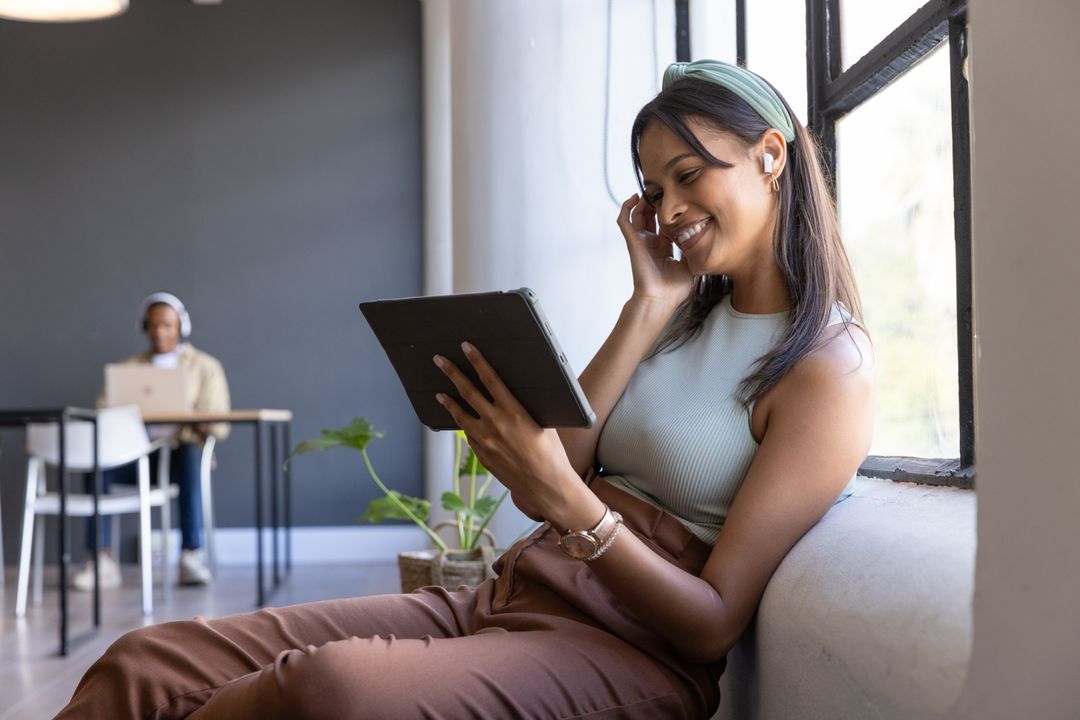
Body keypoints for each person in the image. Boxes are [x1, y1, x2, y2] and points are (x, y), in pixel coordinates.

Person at [56, 60, 873, 718]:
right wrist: (646, 305)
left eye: (688, 174)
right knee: (149, 661)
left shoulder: (827, 369)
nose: (670, 210)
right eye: (656, 191)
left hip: (625, 652)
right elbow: (551, 472)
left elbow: (711, 624)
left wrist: (574, 505)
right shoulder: (679, 319)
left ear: (771, 156)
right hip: (511, 595)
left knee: (327, 690)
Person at [72, 292, 231, 591]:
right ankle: (101, 559)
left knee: (189, 454)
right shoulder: (128, 369)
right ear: (144, 327)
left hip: (180, 455)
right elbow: (101, 411)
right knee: (96, 462)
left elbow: (220, 428)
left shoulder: (205, 367)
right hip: (137, 454)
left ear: (181, 326)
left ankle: (190, 555)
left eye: (167, 325)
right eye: (154, 325)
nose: (160, 332)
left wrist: (188, 414)